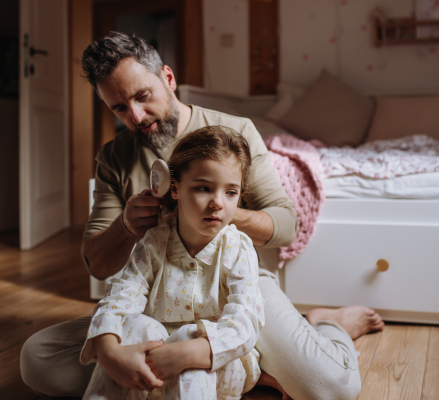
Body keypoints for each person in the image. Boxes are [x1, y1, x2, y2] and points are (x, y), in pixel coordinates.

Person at [20, 32, 384, 400]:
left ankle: (325, 325)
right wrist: (127, 225)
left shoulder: (236, 132)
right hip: (157, 293)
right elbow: (96, 264)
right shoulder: (114, 158)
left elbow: (286, 224)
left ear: (168, 77)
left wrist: (218, 210)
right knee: (38, 359)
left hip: (235, 284)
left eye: (142, 96)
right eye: (118, 108)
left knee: (332, 385)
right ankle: (231, 365)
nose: (135, 115)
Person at [80, 126, 265, 400]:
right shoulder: (153, 242)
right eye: (204, 188)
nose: (217, 203)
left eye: (230, 192)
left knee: (190, 337)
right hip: (153, 357)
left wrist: (184, 353)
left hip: (217, 363)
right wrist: (109, 351)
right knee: (132, 326)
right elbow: (119, 297)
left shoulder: (239, 249)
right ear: (175, 188)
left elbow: (245, 322)